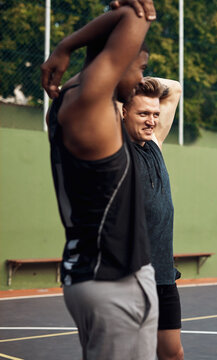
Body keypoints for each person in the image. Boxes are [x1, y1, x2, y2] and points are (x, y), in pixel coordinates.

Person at [41, 2, 158, 359]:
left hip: (94, 275)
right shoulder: (89, 103)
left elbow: (124, 22)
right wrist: (65, 46)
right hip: (112, 282)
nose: (139, 79)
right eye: (138, 67)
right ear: (116, 60)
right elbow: (139, 14)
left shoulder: (68, 102)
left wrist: (68, 47)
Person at [122, 77, 184, 360]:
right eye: (143, 113)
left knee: (172, 354)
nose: (151, 121)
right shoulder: (115, 148)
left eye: (155, 114)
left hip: (163, 275)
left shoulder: (156, 144)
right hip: (129, 278)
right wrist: (126, 83)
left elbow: (176, 87)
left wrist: (140, 82)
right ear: (123, 112)